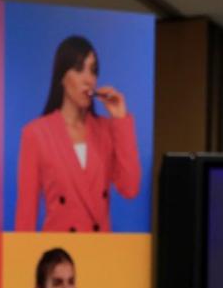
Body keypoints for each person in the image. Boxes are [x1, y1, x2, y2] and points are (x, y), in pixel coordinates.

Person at [15, 36, 141, 233]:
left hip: (100, 254)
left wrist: (120, 119)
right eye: (79, 69)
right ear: (62, 77)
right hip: (59, 256)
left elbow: (130, 188)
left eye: (93, 70)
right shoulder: (35, 134)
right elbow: (26, 215)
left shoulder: (107, 129)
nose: (88, 79)